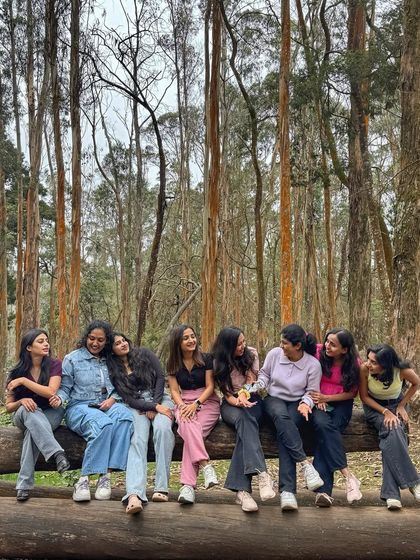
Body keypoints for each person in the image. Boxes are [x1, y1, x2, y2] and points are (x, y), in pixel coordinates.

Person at [49, 320, 133, 503]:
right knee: (103, 424)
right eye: (92, 339)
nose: (95, 343)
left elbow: (120, 386)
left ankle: (106, 476)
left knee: (125, 417)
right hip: (79, 407)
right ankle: (84, 479)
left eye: (100, 340)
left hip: (108, 404)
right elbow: (65, 388)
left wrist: (113, 399)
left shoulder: (110, 360)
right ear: (86, 337)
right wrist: (59, 398)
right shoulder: (72, 358)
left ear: (106, 341)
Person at [248, 323, 324, 511]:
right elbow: (264, 375)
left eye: (285, 343)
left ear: (297, 346)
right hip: (274, 400)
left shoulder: (313, 365)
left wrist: (306, 404)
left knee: (285, 434)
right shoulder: (275, 354)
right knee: (282, 419)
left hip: (298, 403)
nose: (281, 346)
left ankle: (288, 492)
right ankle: (305, 464)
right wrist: (254, 387)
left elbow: (312, 392)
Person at [107, 332, 175, 514]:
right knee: (137, 440)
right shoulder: (114, 371)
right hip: (137, 406)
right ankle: (134, 495)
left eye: (123, 341)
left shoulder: (144, 353)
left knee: (162, 430)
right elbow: (128, 398)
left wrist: (156, 405)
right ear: (111, 350)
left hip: (161, 399)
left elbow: (161, 377)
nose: (122, 344)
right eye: (117, 343)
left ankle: (161, 488)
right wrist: (149, 406)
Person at [212, 326, 275, 513]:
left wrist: (245, 395)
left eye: (244, 342)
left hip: (252, 398)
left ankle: (242, 492)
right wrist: (236, 401)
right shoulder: (217, 362)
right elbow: (226, 393)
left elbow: (251, 381)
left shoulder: (252, 354)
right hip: (230, 403)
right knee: (243, 419)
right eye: (238, 344)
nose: (243, 346)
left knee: (245, 422)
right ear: (228, 346)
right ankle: (262, 474)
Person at [5, 329, 70, 502]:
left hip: (51, 412)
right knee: (29, 409)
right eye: (40, 341)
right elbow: (9, 407)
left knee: (32, 434)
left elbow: (51, 392)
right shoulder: (16, 372)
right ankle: (57, 453)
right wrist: (21, 401)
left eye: (47, 341)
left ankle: (23, 486)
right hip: (23, 414)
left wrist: (24, 382)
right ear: (28, 347)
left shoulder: (55, 364)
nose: (46, 344)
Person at [359, 343, 420, 510]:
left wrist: (401, 405)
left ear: (386, 365)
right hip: (375, 408)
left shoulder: (401, 370)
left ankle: (391, 494)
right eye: (368, 359)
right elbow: (364, 397)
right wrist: (385, 411)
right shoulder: (365, 370)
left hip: (396, 404)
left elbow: (416, 383)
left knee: (392, 437)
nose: (368, 364)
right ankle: (414, 483)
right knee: (393, 429)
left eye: (374, 362)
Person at [167, 324, 220, 504]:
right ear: (178, 343)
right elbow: (174, 391)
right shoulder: (172, 363)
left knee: (192, 433)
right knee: (189, 425)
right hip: (184, 402)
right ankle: (205, 465)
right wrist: (182, 406)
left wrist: (197, 404)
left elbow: (211, 386)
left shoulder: (206, 358)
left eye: (192, 336)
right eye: (186, 338)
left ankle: (187, 486)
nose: (191, 341)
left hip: (207, 401)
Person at [309, 328, 362, 507]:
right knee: (323, 427)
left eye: (333, 344)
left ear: (345, 350)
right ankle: (348, 476)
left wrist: (328, 398)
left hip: (341, 404)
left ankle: (323, 492)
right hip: (317, 402)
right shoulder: (317, 351)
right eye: (327, 341)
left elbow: (351, 394)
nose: (327, 346)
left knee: (326, 438)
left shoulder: (354, 364)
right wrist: (318, 397)